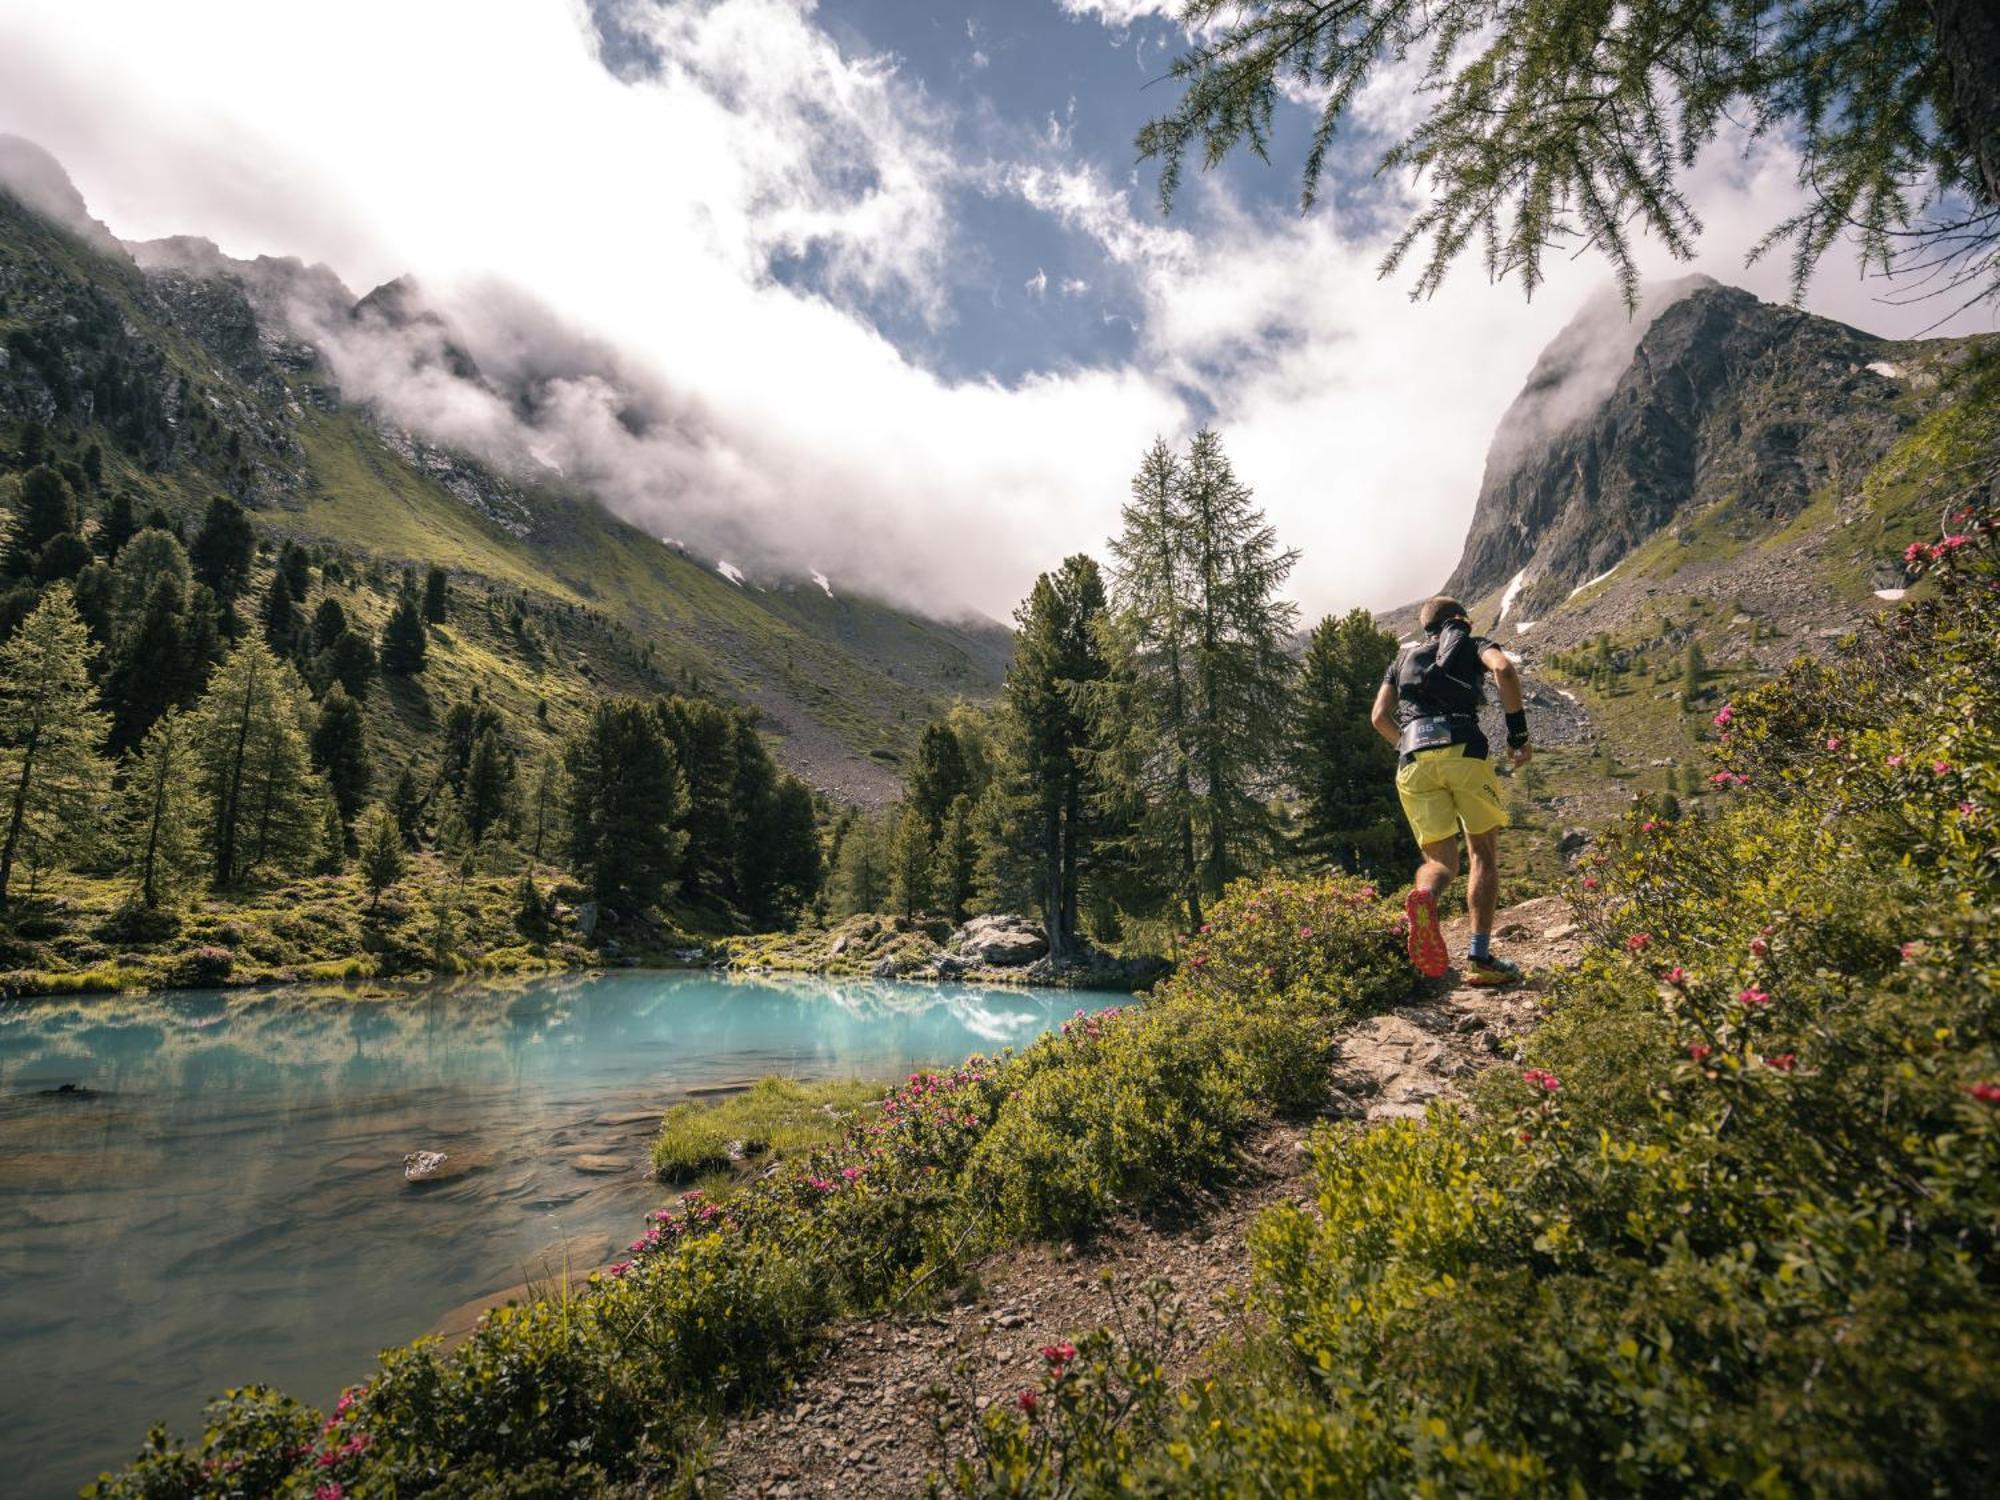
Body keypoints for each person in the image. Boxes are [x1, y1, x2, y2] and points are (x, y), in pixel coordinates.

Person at [1370, 594, 1531, 985]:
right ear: (1461, 621)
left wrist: (1408, 744)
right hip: (1464, 752)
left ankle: (1425, 899)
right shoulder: (1474, 645)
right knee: (1482, 855)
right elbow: (1505, 672)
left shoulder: (1400, 660)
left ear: (1426, 628)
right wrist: (1518, 735)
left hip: (1413, 762)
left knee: (1441, 862)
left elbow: (1379, 717)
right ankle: (1480, 957)